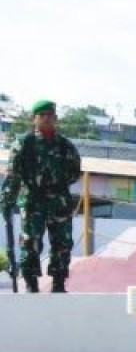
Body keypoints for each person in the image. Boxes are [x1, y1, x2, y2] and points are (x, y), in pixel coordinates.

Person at [0, 99, 81, 293]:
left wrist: (55, 185)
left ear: (56, 118)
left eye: (50, 115)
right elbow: (13, 175)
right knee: (30, 242)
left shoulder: (66, 146)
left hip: (59, 201)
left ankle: (59, 284)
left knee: (62, 243)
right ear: (34, 119)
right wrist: (7, 201)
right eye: (42, 115)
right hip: (32, 200)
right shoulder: (24, 143)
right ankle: (31, 284)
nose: (46, 119)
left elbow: (74, 172)